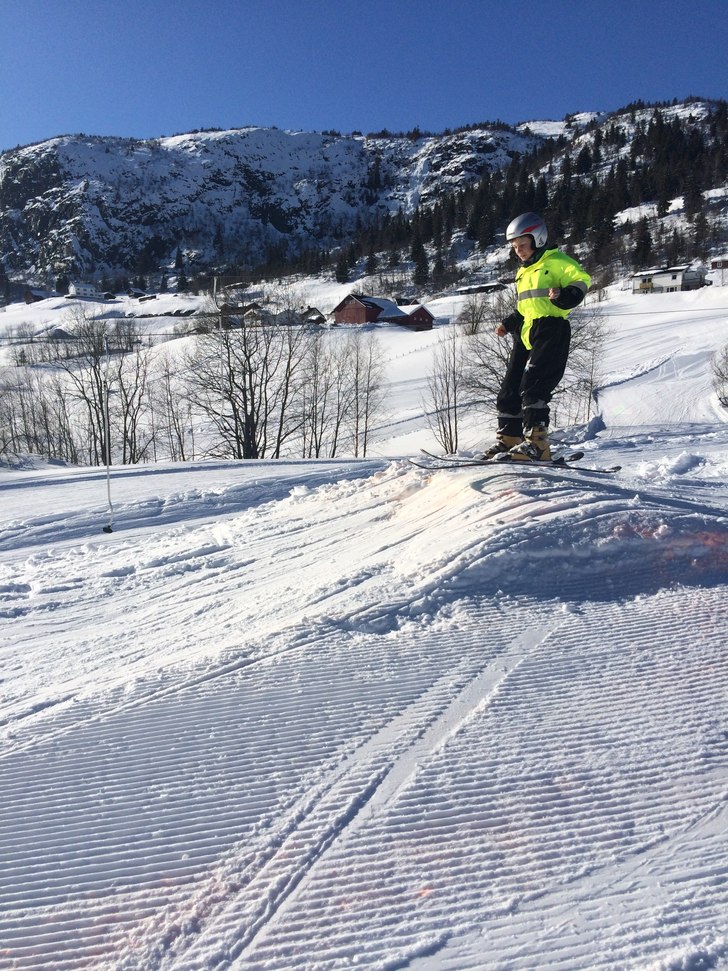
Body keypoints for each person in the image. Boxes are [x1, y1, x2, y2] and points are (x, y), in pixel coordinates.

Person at [482, 212, 591, 462]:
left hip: (551, 327)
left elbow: (582, 280)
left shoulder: (557, 261)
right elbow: (525, 307)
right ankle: (510, 439)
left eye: (522, 244)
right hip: (526, 330)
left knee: (535, 384)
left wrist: (565, 295)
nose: (518, 250)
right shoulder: (523, 272)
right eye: (514, 247)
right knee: (510, 387)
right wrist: (508, 323)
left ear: (538, 239)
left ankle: (537, 444)